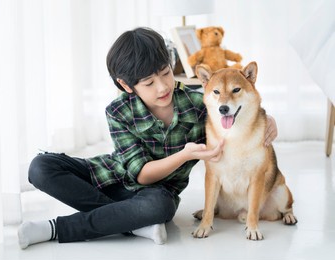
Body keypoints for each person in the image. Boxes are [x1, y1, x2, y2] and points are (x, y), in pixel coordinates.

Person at [17, 27, 278, 249]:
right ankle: (132, 226)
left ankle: (55, 229)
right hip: (110, 176)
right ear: (126, 85)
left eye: (165, 73)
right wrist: (185, 155)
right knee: (40, 167)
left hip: (156, 195)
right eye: (149, 83)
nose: (163, 86)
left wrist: (269, 121)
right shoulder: (118, 111)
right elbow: (140, 173)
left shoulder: (198, 103)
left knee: (157, 208)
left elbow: (236, 108)